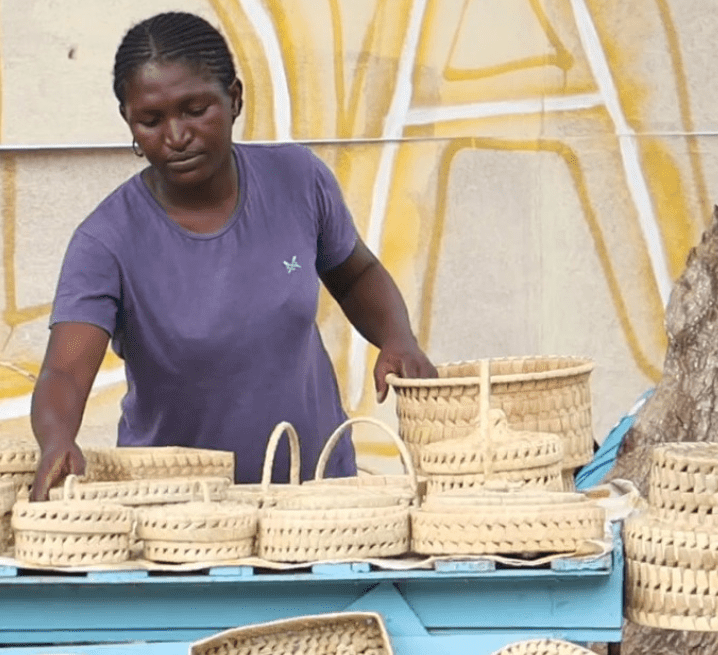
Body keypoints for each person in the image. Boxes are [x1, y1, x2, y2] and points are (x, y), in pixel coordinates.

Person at [30, 11, 436, 501]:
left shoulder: (298, 181)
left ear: (235, 99)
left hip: (321, 499)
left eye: (195, 110)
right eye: (151, 121)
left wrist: (397, 337)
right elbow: (65, 372)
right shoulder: (106, 241)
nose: (176, 135)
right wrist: (57, 440)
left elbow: (355, 273)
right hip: (183, 518)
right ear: (128, 122)